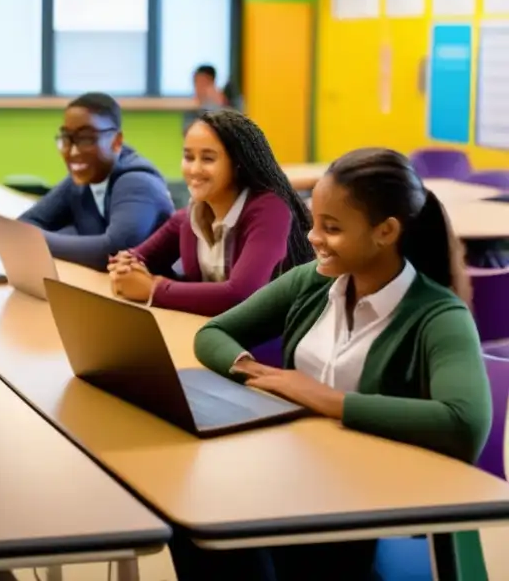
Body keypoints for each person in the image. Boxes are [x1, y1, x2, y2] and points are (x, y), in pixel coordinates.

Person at [186, 147, 490, 580]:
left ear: (385, 231)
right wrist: (256, 373)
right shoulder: (313, 281)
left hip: (372, 497)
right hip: (304, 473)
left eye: (331, 228)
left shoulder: (439, 315)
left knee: (228, 534)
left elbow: (463, 424)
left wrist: (330, 401)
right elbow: (212, 334)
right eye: (314, 223)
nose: (313, 239)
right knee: (195, 520)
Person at [108, 110, 313, 316]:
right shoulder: (190, 215)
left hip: (270, 341)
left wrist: (154, 289)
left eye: (207, 159)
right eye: (188, 157)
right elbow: (136, 257)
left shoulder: (271, 210)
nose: (194, 169)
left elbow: (241, 295)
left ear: (237, 164)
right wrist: (124, 268)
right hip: (207, 330)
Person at [17, 93, 174, 271]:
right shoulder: (82, 179)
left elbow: (113, 250)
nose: (73, 151)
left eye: (86, 138)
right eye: (66, 138)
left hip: (154, 294)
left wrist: (35, 239)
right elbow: (26, 223)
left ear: (116, 142)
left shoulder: (137, 182)